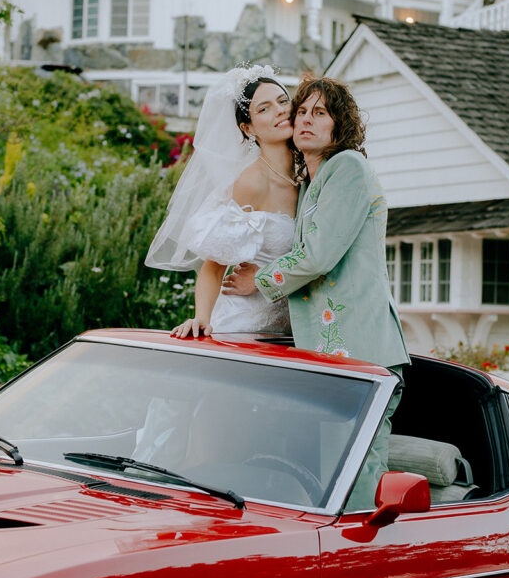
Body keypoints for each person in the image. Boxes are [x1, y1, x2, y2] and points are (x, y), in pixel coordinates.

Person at [222, 75, 410, 504]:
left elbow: (320, 254)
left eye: (320, 113)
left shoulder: (348, 168)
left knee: (358, 481)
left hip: (362, 350)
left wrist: (260, 279)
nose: (305, 119)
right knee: (324, 479)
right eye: (301, 111)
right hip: (326, 354)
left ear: (339, 124)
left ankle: (362, 560)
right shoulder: (309, 181)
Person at [145, 64, 298, 337]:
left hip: (295, 329)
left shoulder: (306, 176)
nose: (279, 110)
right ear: (248, 128)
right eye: (264, 108)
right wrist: (201, 318)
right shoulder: (251, 182)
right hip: (244, 326)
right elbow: (213, 267)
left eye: (283, 101)